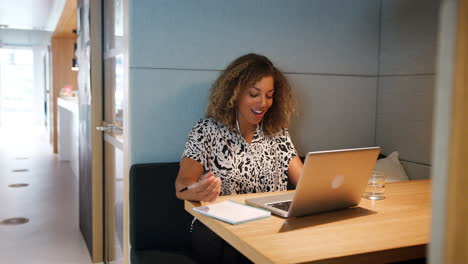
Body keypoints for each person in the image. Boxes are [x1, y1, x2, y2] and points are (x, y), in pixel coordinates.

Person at [175, 53, 303, 263]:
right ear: (233, 94)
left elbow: (304, 182)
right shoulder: (206, 130)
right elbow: (181, 185)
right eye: (254, 94)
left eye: (269, 95)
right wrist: (195, 190)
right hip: (220, 229)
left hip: (268, 225)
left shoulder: (277, 132)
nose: (263, 103)